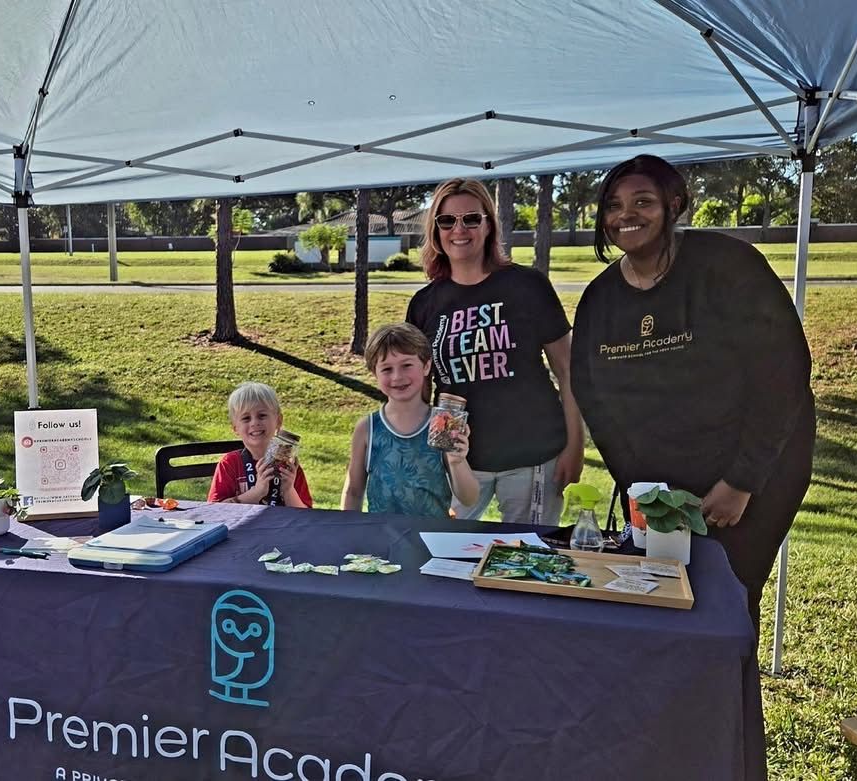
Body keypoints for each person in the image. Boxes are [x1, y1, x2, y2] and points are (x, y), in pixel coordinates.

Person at [569, 154, 815, 628]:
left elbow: (782, 375)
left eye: (643, 201)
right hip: (659, 485)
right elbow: (592, 395)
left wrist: (741, 482)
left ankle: (729, 701)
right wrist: (638, 485)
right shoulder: (600, 298)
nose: (627, 215)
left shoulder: (728, 266)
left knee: (727, 601)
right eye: (614, 205)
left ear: (674, 204)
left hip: (754, 475)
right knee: (658, 599)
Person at [405, 178, 584, 525]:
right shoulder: (425, 304)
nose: (459, 229)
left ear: (488, 225)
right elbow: (419, 389)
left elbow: (568, 370)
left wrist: (575, 445)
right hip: (458, 461)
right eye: (447, 221)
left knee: (527, 561)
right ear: (435, 230)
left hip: (532, 455)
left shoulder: (527, 285)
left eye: (471, 219)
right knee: (444, 556)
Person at [342, 323, 479, 516]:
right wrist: (350, 534)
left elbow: (469, 498)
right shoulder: (368, 428)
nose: (397, 376)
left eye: (407, 365)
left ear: (426, 366)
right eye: (387, 369)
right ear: (375, 374)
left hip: (432, 540)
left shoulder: (442, 424)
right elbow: (353, 491)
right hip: (382, 540)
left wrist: (457, 462)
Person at [207, 382, 314, 507]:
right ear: (235, 428)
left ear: (278, 421)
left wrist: (288, 490)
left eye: (262, 415)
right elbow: (215, 510)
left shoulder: (288, 467)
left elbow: (306, 516)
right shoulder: (229, 464)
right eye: (246, 418)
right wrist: (257, 493)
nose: (254, 423)